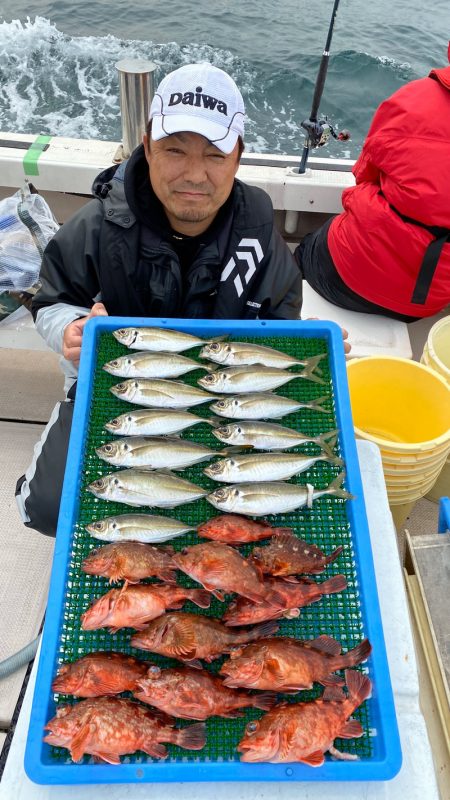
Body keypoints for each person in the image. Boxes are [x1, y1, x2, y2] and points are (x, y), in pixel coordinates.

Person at [16, 62, 345, 539]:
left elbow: (278, 327)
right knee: (47, 510)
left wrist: (308, 348)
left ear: (238, 156)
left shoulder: (261, 237)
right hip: (116, 388)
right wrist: (68, 330)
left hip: (233, 403)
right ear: (147, 147)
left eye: (214, 154)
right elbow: (50, 301)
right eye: (174, 150)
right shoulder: (95, 226)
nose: (194, 174)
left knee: (270, 516)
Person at [296, 51, 450, 321]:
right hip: (423, 305)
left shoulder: (415, 97)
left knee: (305, 248)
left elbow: (364, 173)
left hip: (345, 272)